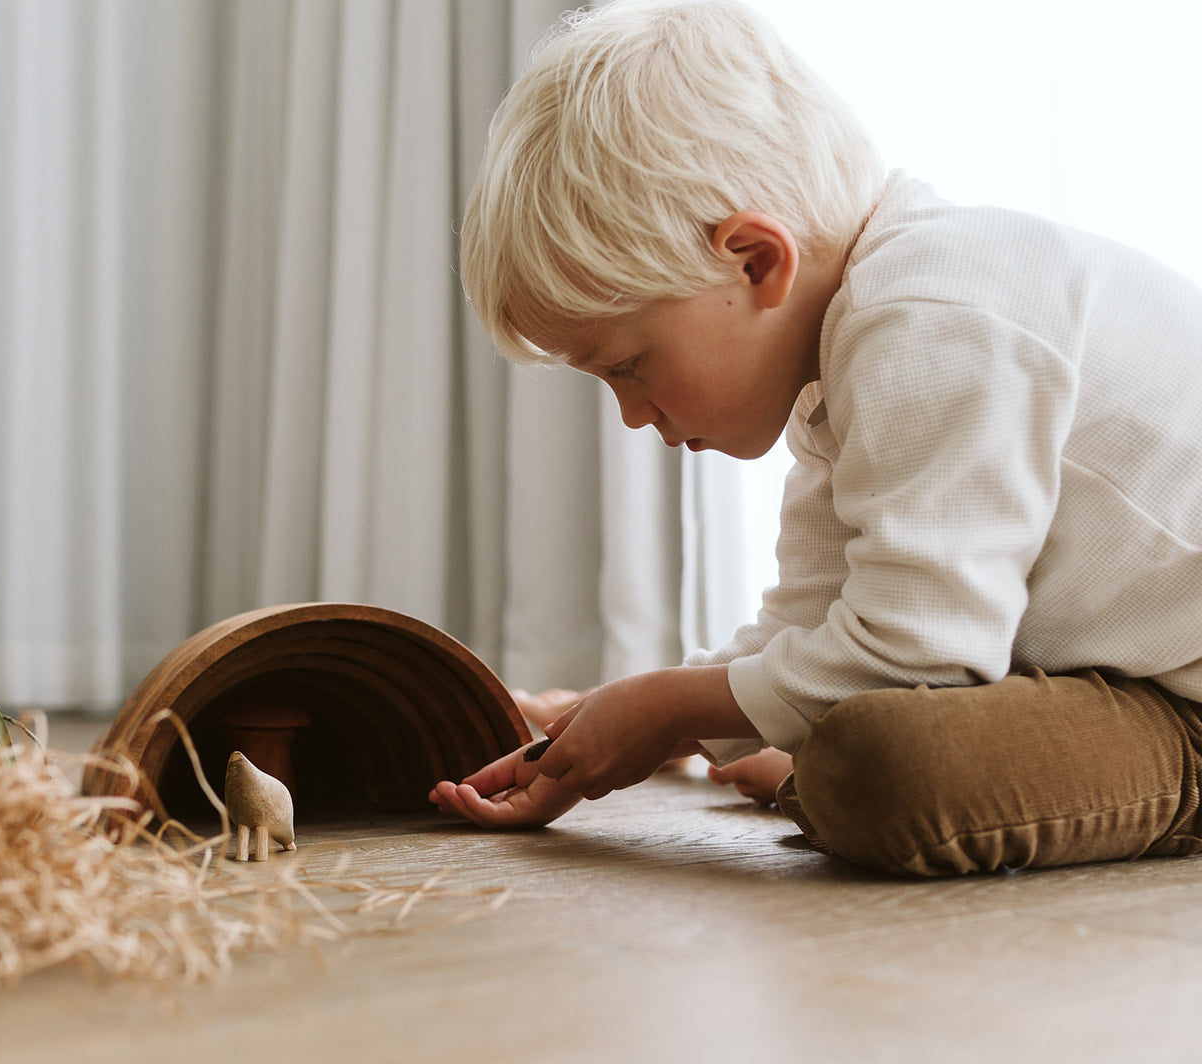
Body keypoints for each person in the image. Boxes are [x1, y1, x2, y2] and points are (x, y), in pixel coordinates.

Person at [432, 0, 1202, 876]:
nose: (632, 415)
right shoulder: (841, 369)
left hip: (1187, 701)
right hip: (1137, 677)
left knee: (883, 762)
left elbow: (919, 657)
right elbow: (814, 618)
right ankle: (793, 759)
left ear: (756, 260)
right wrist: (647, 708)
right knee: (848, 734)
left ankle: (801, 766)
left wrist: (673, 710)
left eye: (628, 366)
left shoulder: (927, 321)